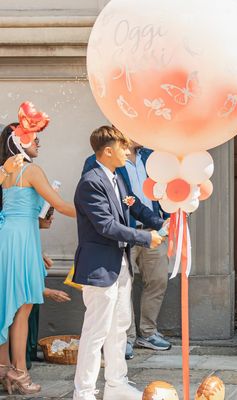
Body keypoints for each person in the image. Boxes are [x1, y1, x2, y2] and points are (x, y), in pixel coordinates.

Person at [72, 126, 166, 400]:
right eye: (123, 147)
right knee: (96, 332)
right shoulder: (90, 182)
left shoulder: (116, 179)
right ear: (108, 151)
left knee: (119, 326)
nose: (128, 152)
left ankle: (116, 384)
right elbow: (106, 226)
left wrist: (162, 224)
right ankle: (85, 392)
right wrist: (145, 238)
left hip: (120, 263)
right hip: (100, 267)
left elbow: (134, 205)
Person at [0, 122, 76, 395]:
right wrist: (97, 210)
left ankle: (3, 367)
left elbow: (20, 211)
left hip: (9, 237)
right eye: (34, 138)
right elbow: (61, 204)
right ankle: (20, 372)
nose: (39, 143)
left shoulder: (4, 172)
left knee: (6, 305)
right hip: (22, 241)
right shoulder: (30, 169)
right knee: (23, 307)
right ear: (19, 141)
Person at [82, 141, 170, 359]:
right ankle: (125, 339)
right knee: (124, 285)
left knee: (158, 280)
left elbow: (163, 188)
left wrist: (163, 221)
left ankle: (147, 333)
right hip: (124, 232)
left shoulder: (151, 155)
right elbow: (111, 207)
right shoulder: (97, 163)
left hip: (153, 230)